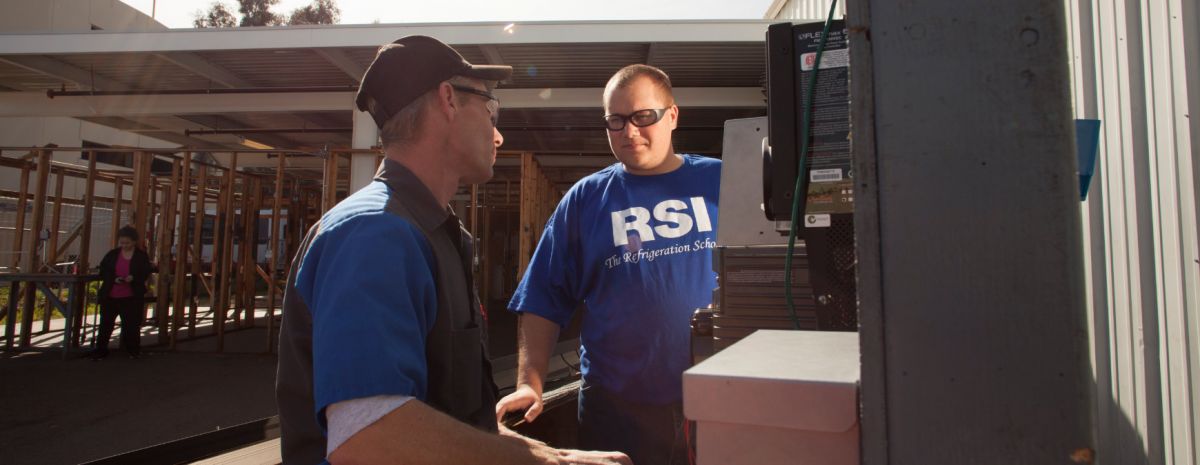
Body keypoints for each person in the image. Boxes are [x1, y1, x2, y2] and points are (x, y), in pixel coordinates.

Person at [275, 35, 631, 465]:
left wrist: (547, 454)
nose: (497, 136)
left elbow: (449, 416)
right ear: (448, 99)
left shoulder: (427, 233)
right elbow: (370, 438)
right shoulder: (374, 234)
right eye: (489, 107)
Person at [498, 64, 722, 465]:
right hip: (618, 412)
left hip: (720, 401)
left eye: (643, 117)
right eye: (615, 121)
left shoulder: (722, 182)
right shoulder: (587, 199)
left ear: (672, 116)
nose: (629, 132)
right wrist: (529, 384)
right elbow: (543, 295)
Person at [91, 225, 152, 360]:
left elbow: (146, 271)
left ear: (134, 242)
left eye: (127, 243)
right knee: (106, 324)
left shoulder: (140, 256)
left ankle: (133, 351)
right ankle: (101, 350)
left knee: (131, 325)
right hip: (111, 295)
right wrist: (114, 279)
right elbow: (104, 270)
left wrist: (134, 277)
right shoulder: (113, 254)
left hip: (131, 296)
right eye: (122, 242)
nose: (124, 245)